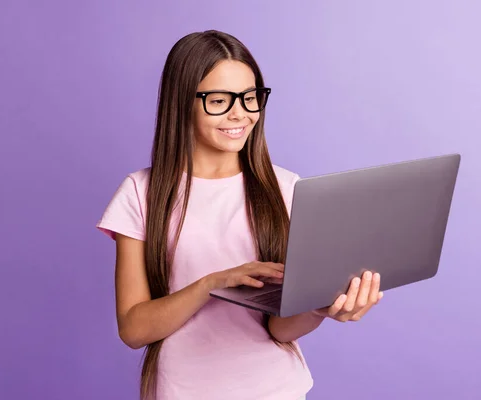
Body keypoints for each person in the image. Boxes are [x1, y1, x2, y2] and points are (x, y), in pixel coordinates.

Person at [96, 30, 383, 400]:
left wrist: (320, 308)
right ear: (182, 102)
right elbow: (134, 329)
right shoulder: (140, 193)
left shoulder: (286, 189)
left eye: (250, 98)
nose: (240, 114)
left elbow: (279, 329)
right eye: (219, 100)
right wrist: (210, 285)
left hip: (277, 389)